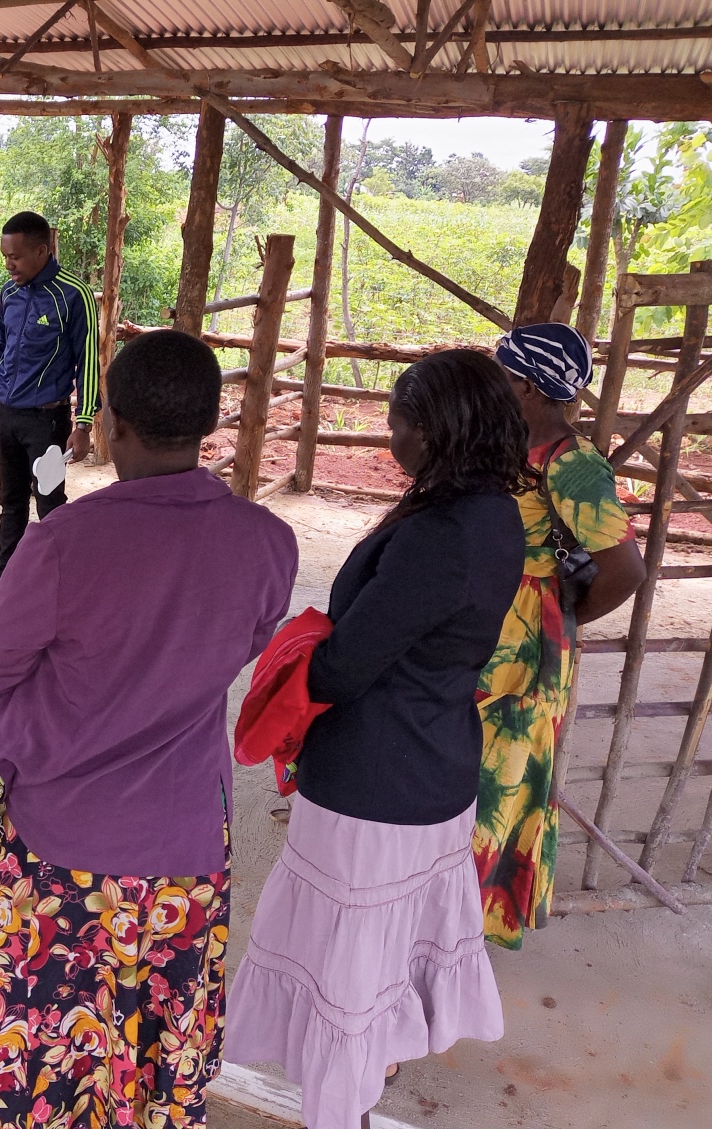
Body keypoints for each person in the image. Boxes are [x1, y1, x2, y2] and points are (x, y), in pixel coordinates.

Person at [0, 330, 298, 1129]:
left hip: (60, 843)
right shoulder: (269, 543)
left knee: (33, 1025)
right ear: (207, 427)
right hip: (186, 841)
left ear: (111, 426)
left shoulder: (62, 541)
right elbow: (241, 642)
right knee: (151, 1021)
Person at [224, 350, 528, 1129]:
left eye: (400, 421)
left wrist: (297, 653)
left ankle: (342, 1109)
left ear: (437, 432)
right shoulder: (491, 511)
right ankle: (354, 1089)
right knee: (376, 961)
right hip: (432, 765)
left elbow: (348, 666)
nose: (390, 435)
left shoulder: (440, 537)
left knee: (349, 972)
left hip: (376, 782)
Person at [475, 323, 645, 949]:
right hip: (489, 643)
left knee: (501, 787)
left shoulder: (573, 468)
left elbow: (625, 570)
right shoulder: (511, 449)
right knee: (473, 781)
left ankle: (476, 927)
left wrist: (560, 619)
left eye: (500, 372)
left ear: (525, 385)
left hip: (526, 655)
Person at [0, 211, 100, 607]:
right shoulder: (10, 293)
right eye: (5, 257)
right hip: (7, 415)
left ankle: (66, 585)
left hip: (48, 420)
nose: (9, 265)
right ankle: (4, 581)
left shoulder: (73, 295)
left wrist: (83, 422)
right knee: (10, 500)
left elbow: (89, 359)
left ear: (42, 251)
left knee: (50, 503)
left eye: (17, 257)